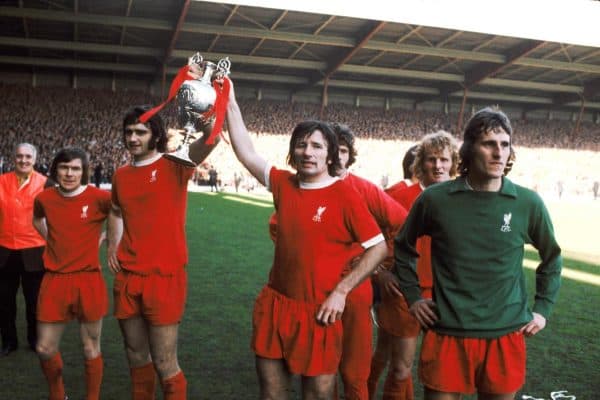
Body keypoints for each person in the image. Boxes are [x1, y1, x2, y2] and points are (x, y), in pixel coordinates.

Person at [225, 78, 388, 400]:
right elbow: (246, 152)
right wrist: (229, 99)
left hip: (320, 312)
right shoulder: (284, 185)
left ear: (330, 155)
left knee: (318, 394)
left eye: (316, 146)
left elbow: (379, 246)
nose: (307, 152)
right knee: (272, 393)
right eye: (301, 144)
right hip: (276, 304)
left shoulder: (345, 195)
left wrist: (342, 291)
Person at [394, 107, 562, 400]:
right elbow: (402, 245)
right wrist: (413, 297)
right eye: (489, 144)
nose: (499, 153)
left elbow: (551, 256)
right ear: (470, 149)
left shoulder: (527, 202)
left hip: (505, 333)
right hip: (448, 331)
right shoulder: (435, 199)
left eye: (505, 145)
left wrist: (543, 308)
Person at [107, 105, 218, 400]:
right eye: (128, 132)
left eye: (140, 131)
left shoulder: (174, 165)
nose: (133, 137)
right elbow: (116, 212)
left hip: (163, 278)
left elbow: (212, 139)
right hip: (128, 277)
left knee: (165, 363)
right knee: (134, 354)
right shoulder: (121, 175)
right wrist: (112, 245)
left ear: (155, 134)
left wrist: (203, 113)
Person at [368, 131, 459, 400]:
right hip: (404, 293)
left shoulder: (462, 199)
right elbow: (361, 233)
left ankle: (362, 391)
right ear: (421, 163)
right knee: (399, 367)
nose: (438, 166)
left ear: (453, 163)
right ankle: (362, 392)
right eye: (432, 159)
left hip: (446, 296)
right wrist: (378, 272)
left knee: (438, 368)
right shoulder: (397, 194)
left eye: (444, 159)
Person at [33, 147, 111, 400]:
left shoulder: (99, 197)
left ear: (84, 171)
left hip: (88, 279)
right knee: (44, 347)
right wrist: (51, 240)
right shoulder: (45, 198)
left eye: (75, 168)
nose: (69, 173)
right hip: (55, 279)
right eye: (64, 167)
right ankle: (59, 395)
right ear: (56, 169)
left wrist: (109, 237)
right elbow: (37, 220)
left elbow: (123, 215)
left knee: (90, 347)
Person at [0, 143, 49, 356]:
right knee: (4, 302)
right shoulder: (1, 181)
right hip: (5, 252)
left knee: (34, 302)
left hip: (34, 252)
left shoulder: (47, 184)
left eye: (28, 156)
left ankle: (34, 340)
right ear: (13, 158)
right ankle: (9, 342)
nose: (23, 160)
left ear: (35, 159)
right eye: (19, 156)